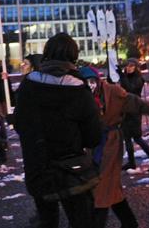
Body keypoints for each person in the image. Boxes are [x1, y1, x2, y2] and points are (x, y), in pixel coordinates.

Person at [14, 33, 102, 228]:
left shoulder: (27, 85)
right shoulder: (79, 89)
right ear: (73, 56)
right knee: (81, 221)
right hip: (72, 170)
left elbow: (19, 124)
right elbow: (93, 136)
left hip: (38, 167)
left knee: (47, 221)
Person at [82, 66, 149, 228]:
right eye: (86, 83)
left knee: (103, 186)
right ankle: (130, 223)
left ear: (98, 80)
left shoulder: (112, 91)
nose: (90, 85)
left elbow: (134, 101)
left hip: (111, 143)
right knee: (111, 188)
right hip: (93, 145)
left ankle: (98, 222)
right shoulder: (81, 96)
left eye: (92, 81)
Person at [119, 58, 149, 172]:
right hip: (126, 110)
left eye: (132, 66)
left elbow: (131, 89)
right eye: (127, 65)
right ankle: (131, 162)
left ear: (136, 67)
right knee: (127, 137)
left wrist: (122, 77)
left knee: (137, 138)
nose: (129, 68)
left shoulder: (139, 79)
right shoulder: (125, 77)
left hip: (134, 110)